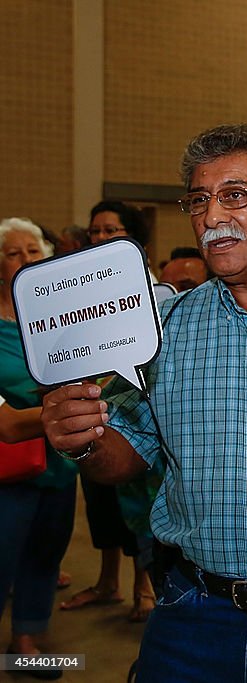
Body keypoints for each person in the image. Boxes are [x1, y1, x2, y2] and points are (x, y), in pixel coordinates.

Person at [41, 123, 247, 682]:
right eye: (199, 200)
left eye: (235, 195)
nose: (211, 218)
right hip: (193, 615)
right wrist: (83, 440)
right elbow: (127, 457)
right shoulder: (161, 331)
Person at [61, 200, 157, 622]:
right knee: (101, 505)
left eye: (111, 231)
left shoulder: (155, 294)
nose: (100, 238)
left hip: (137, 416)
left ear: (133, 238)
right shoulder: (75, 294)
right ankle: (107, 581)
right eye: (95, 231)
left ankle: (146, 584)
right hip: (91, 416)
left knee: (138, 509)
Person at [0, 217, 77, 679]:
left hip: (58, 463)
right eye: (14, 253)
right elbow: (6, 425)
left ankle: (25, 641)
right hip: (8, 469)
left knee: (46, 551)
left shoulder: (55, 321)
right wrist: (59, 409)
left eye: (34, 251)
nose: (26, 260)